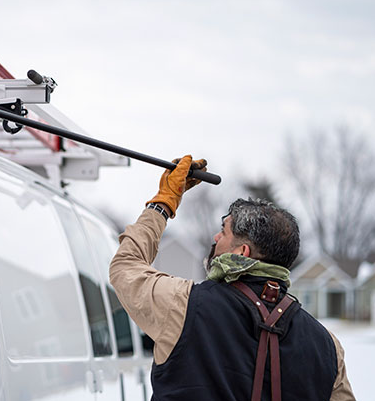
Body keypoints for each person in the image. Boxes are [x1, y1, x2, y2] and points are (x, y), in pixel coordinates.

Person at [109, 155, 355, 401]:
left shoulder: (184, 306)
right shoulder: (328, 347)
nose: (216, 237)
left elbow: (125, 266)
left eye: (224, 230)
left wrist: (163, 203)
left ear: (242, 252)